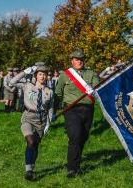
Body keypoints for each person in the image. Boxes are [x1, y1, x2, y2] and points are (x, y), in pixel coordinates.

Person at [55, 48, 99, 178]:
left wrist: (94, 87)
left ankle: (76, 160)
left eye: (81, 59)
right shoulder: (65, 75)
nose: (79, 61)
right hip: (71, 109)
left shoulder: (91, 73)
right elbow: (58, 92)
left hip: (88, 109)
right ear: (72, 61)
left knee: (83, 137)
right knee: (75, 136)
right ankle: (72, 168)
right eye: (76, 59)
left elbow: (97, 87)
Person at [10, 62, 54, 181]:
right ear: (36, 76)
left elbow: (50, 108)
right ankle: (28, 170)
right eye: (40, 74)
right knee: (30, 141)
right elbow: (11, 82)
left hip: (41, 120)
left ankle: (31, 167)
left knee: (35, 145)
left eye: (45, 74)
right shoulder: (27, 86)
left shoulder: (49, 91)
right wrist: (25, 71)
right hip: (28, 117)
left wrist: (49, 123)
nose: (43, 77)